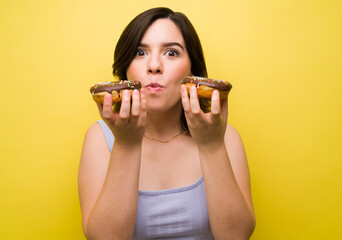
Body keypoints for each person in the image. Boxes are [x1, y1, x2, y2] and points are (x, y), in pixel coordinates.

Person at [78, 7, 255, 240]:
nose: (154, 65)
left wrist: (211, 146)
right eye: (140, 53)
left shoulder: (223, 135)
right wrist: (127, 145)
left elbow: (236, 236)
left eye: (171, 53)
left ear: (193, 71)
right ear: (125, 71)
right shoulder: (101, 138)